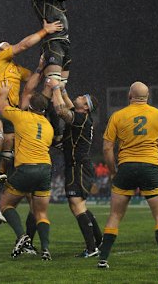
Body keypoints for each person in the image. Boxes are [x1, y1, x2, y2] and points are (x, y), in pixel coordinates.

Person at [0, 19, 62, 223]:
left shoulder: (16, 69)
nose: (8, 46)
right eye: (4, 46)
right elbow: (24, 45)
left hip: (11, 111)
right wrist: (45, 31)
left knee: (9, 150)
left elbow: (33, 80)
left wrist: (41, 68)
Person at [99, 82, 158, 270]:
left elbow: (106, 148)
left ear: (130, 95)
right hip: (150, 167)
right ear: (147, 96)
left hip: (126, 167)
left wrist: (113, 171)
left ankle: (103, 259)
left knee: (114, 215)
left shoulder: (118, 116)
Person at [0, 81, 54, 261]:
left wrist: (4, 92)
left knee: (5, 204)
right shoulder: (49, 127)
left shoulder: (22, 116)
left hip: (27, 167)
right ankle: (45, 249)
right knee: (41, 213)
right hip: (45, 168)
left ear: (30, 106)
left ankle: (22, 236)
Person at [45, 78, 102, 258]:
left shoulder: (81, 118)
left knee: (77, 205)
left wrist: (55, 87)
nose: (78, 97)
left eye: (83, 99)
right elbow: (69, 105)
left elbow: (62, 110)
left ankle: (92, 248)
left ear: (85, 107)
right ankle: (99, 241)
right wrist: (63, 91)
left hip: (78, 167)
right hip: (76, 166)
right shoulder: (83, 117)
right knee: (78, 205)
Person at [21, 0, 92, 85]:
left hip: (64, 40)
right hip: (52, 40)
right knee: (53, 87)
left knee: (61, 87)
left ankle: (57, 106)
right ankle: (41, 106)